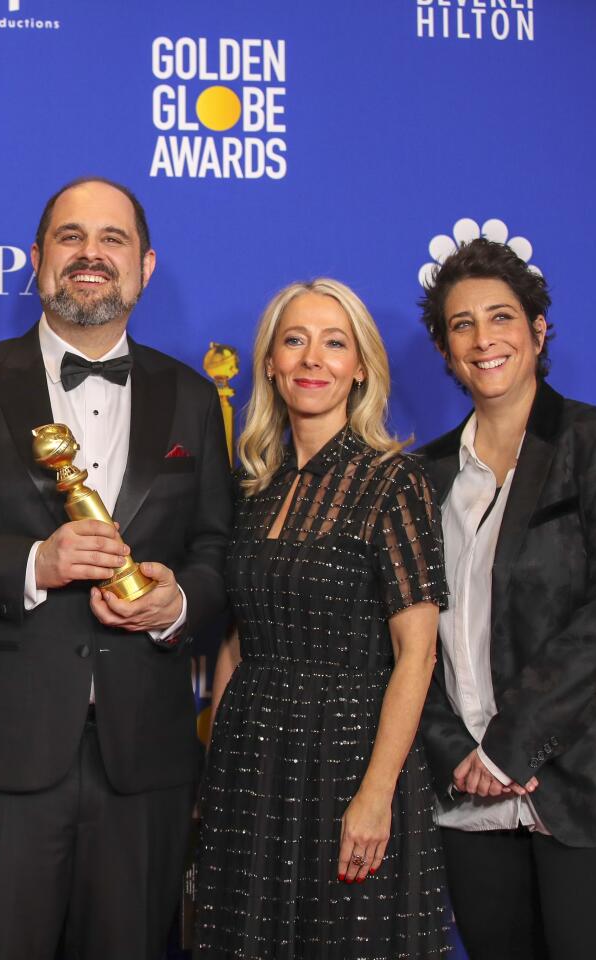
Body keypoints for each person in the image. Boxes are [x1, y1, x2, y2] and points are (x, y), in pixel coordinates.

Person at [0, 176, 232, 960]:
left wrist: (173, 603)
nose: (91, 255)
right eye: (71, 237)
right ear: (37, 261)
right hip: (2, 758)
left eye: (112, 240)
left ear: (146, 265)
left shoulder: (194, 398)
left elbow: (220, 560)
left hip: (146, 764)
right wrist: (34, 562)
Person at [416, 238, 596, 960]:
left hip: (595, 781)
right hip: (470, 794)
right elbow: (408, 632)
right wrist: (459, 756)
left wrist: (510, 747)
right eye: (462, 324)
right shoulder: (425, 474)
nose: (483, 339)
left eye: (501, 317)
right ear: (445, 349)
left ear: (537, 331)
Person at [195, 279, 450, 959]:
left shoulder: (393, 482)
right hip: (252, 765)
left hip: (348, 758)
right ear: (271, 364)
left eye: (335, 343)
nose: (314, 358)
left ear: (361, 366)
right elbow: (237, 646)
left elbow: (417, 654)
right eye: (295, 340)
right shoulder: (254, 487)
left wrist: (376, 794)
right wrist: (218, 769)